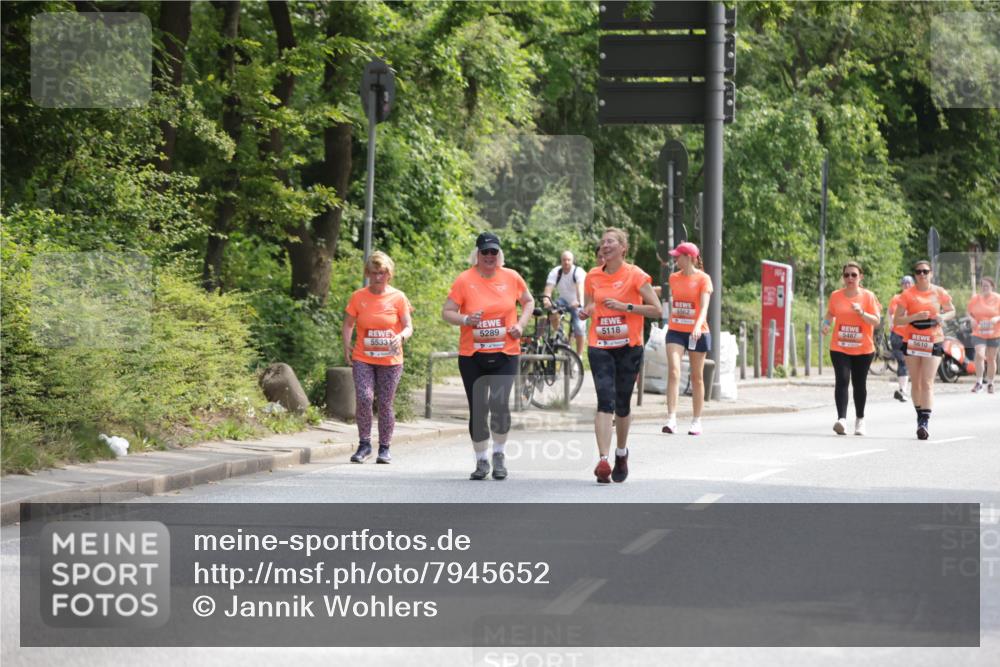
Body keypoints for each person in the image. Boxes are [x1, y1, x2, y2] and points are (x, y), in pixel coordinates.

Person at [442, 232, 533, 480]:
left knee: (499, 404)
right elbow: (446, 312)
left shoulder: (511, 277)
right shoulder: (464, 280)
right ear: (478, 254)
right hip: (473, 354)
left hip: (506, 352)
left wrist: (521, 325)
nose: (490, 256)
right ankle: (481, 461)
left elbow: (528, 301)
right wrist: (465, 319)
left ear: (499, 254)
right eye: (485, 252)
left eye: (494, 252)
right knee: (479, 408)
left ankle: (499, 455)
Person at [578, 228, 660, 484]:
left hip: (628, 346)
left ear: (622, 248)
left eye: (610, 241)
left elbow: (656, 310)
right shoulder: (592, 276)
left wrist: (627, 307)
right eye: (603, 242)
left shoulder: (635, 275)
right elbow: (591, 303)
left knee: (622, 404)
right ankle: (603, 460)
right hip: (600, 344)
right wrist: (586, 311)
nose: (605, 245)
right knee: (605, 399)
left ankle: (621, 453)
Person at [342, 252, 413, 464]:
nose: (378, 277)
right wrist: (346, 345)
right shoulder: (358, 296)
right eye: (374, 273)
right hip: (364, 356)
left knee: (385, 403)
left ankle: (384, 447)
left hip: (391, 360)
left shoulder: (398, 297)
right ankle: (364, 444)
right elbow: (348, 324)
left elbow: (409, 326)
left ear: (389, 274)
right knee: (364, 397)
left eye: (382, 273)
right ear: (367, 274)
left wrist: (400, 336)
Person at [893, 259, 956, 440]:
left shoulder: (939, 292)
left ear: (931, 273)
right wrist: (914, 316)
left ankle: (924, 422)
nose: (922, 275)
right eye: (918, 272)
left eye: (925, 271)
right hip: (913, 339)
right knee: (917, 381)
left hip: (933, 338)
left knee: (927, 381)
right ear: (914, 275)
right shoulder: (907, 294)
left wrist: (942, 316)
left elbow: (952, 310)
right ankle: (919, 415)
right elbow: (897, 320)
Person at [821, 261, 882, 436]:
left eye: (854, 275)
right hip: (840, 346)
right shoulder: (836, 296)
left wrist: (862, 313)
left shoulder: (868, 296)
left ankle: (860, 420)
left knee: (859, 383)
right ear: (843, 277)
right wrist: (825, 324)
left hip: (863, 348)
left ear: (860, 277)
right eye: (847, 275)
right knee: (842, 379)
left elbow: (876, 321)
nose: (850, 278)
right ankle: (841, 420)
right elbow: (830, 313)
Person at [661, 242, 713, 436]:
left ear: (689, 258)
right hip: (676, 330)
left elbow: (704, 306)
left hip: (697, 331)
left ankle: (696, 420)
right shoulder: (674, 278)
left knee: (696, 377)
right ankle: (671, 419)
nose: (675, 259)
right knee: (674, 371)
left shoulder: (704, 279)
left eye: (678, 256)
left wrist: (698, 325)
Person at [542, 251, 587, 355]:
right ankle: (561, 336)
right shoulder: (556, 272)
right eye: (564, 260)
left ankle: (579, 355)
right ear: (561, 261)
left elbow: (580, 289)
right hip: (563, 300)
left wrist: (578, 301)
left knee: (579, 328)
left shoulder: (578, 272)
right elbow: (548, 289)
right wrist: (546, 300)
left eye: (569, 260)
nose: (566, 262)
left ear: (572, 261)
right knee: (553, 311)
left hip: (578, 301)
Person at [967, 276, 1000, 394]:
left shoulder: (998, 298)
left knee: (991, 358)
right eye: (982, 286)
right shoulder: (976, 299)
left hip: (994, 332)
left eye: (987, 285)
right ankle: (979, 382)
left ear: (992, 287)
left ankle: (990, 383)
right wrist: (971, 319)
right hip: (979, 332)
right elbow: (969, 312)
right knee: (980, 355)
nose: (984, 288)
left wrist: (997, 318)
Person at [887, 275, 915, 401]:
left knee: (909, 363)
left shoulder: (916, 299)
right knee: (902, 361)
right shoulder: (896, 298)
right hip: (897, 335)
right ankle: (903, 390)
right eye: (904, 283)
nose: (907, 285)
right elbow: (890, 313)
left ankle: (906, 389)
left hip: (912, 336)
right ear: (901, 285)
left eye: (909, 283)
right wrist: (890, 323)